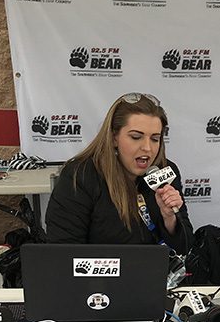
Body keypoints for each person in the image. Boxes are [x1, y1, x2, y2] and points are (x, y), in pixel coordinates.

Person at [46, 93, 193, 254]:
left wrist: (169, 218)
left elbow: (184, 248)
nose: (147, 148)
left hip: (156, 275)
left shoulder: (165, 170)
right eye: (136, 137)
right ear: (114, 137)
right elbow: (63, 252)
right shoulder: (80, 175)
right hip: (99, 277)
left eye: (155, 139)